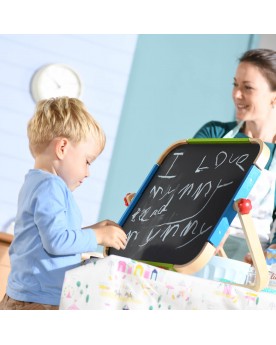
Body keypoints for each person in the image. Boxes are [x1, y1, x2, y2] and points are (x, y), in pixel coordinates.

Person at [124, 48, 276, 264]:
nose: (236, 94)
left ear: (274, 98)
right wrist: (212, 226)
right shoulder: (215, 134)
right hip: (197, 244)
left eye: (247, 88)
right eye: (235, 84)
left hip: (250, 262)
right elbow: (182, 189)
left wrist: (267, 259)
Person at [0, 97, 127, 310]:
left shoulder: (37, 182)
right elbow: (57, 241)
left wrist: (94, 229)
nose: (88, 173)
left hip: (26, 298)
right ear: (62, 147)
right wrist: (98, 236)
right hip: (37, 303)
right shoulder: (51, 186)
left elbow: (51, 236)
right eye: (87, 161)